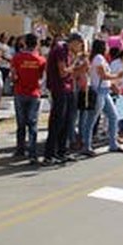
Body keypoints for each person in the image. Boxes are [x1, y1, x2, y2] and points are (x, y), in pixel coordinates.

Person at [44, 33, 87, 165]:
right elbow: (63, 71)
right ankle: (49, 154)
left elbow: (72, 73)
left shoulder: (69, 52)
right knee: (58, 121)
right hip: (59, 88)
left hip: (69, 88)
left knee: (68, 121)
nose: (81, 47)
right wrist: (76, 63)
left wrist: (82, 68)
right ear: (74, 42)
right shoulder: (61, 49)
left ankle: (62, 152)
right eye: (80, 44)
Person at [81, 39, 123, 157]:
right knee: (92, 119)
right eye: (106, 45)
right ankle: (86, 146)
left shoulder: (101, 58)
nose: (108, 47)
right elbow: (103, 75)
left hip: (105, 91)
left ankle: (113, 143)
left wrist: (113, 85)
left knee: (113, 116)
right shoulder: (99, 58)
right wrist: (117, 76)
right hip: (98, 91)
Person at [11, 33, 46, 164]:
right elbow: (42, 77)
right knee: (33, 124)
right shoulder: (41, 60)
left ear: (25, 43)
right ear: (36, 44)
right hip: (34, 93)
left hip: (20, 92)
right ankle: (32, 153)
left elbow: (13, 76)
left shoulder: (17, 58)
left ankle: (20, 149)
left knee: (21, 124)